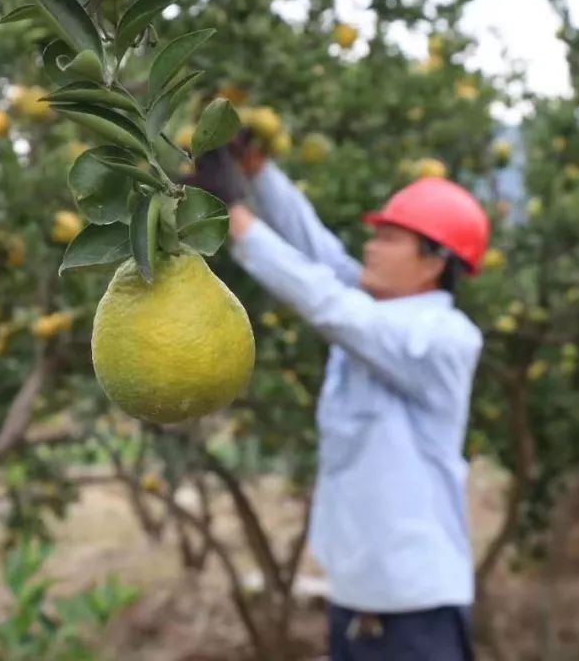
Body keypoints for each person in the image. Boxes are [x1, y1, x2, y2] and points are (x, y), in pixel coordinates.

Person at [186, 136, 490, 661]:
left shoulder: (443, 340)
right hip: (354, 601)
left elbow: (332, 307)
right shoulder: (381, 312)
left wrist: (238, 222)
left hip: (416, 609)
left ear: (434, 261)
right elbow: (318, 253)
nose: (371, 246)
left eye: (390, 238)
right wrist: (260, 175)